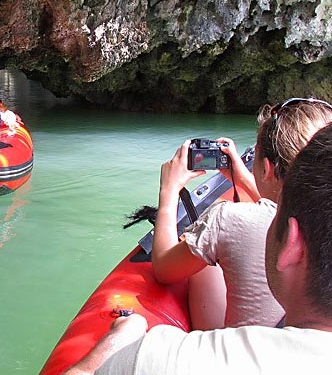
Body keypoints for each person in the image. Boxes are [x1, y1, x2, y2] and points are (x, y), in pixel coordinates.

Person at [64, 121, 332, 375]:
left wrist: (169, 190)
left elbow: (165, 269)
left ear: (292, 246)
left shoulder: (166, 360)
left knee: (204, 262)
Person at [152, 98, 332, 329]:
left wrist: (169, 190)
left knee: (205, 249)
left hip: (246, 357)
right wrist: (245, 181)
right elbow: (285, 204)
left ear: (266, 168)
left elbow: (163, 269)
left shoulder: (227, 218)